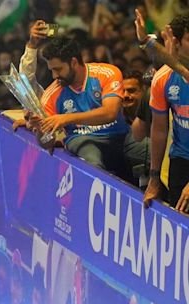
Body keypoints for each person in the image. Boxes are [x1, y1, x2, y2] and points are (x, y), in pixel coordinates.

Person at [39, 37, 134, 175]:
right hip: (82, 140)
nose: (54, 75)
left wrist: (66, 118)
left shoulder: (107, 73)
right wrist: (39, 130)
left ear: (73, 62)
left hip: (119, 135)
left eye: (58, 69)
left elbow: (110, 113)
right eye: (51, 70)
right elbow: (46, 142)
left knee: (149, 150)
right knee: (91, 161)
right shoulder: (51, 95)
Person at [143, 13, 189, 211]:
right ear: (177, 42)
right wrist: (153, 179)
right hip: (181, 159)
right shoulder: (162, 79)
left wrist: (146, 42)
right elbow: (159, 131)